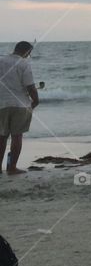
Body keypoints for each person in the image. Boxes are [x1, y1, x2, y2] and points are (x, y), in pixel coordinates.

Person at [0, 42, 40, 175]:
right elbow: (30, 87)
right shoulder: (24, 64)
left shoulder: (1, 61)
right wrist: (36, 101)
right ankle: (12, 167)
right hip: (20, 105)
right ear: (26, 51)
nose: (29, 56)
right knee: (17, 136)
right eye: (29, 53)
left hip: (1, 104)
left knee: (1, 136)